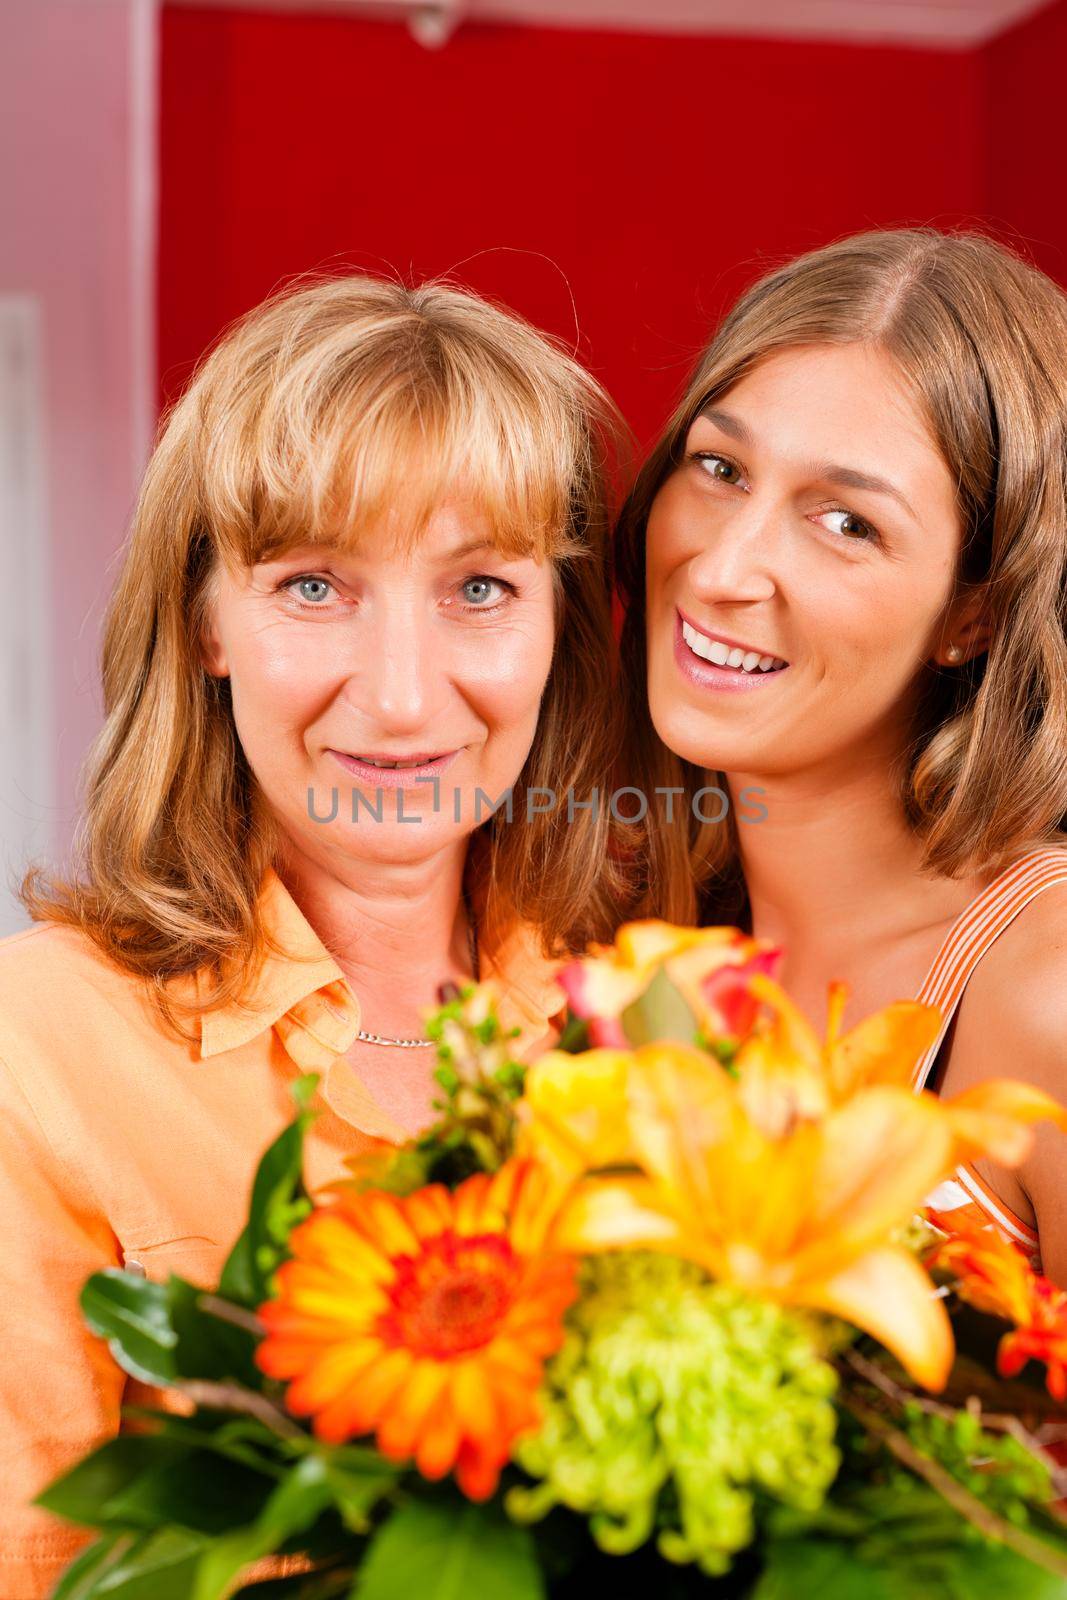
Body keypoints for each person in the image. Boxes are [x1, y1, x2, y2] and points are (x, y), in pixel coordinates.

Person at [0, 273, 631, 1594]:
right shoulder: (37, 1046)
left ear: (554, 625)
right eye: (311, 585)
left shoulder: (647, 1008)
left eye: (479, 588)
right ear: (204, 621)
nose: (401, 699)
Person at [615, 227, 1067, 1281]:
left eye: (845, 523)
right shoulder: (622, 934)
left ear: (974, 613)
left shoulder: (1042, 991)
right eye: (718, 467)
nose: (722, 566)